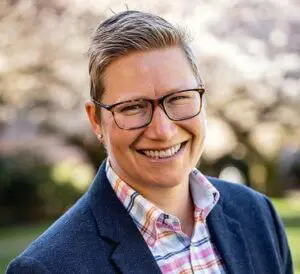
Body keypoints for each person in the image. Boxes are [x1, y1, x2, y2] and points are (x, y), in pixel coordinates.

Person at [7, 10, 293, 274]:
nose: (163, 130)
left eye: (179, 98)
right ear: (96, 120)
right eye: (133, 107)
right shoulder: (47, 268)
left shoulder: (257, 214)